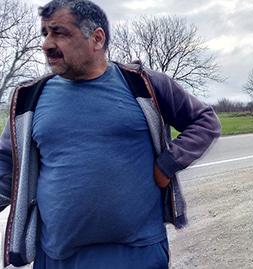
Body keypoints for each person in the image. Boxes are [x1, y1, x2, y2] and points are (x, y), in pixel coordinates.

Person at [0, 0, 221, 268]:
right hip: (59, 257)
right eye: (45, 34)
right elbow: (6, 164)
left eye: (59, 33)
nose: (46, 44)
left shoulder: (144, 85)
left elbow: (204, 120)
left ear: (96, 38)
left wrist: (167, 165)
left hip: (138, 253)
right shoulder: (30, 99)